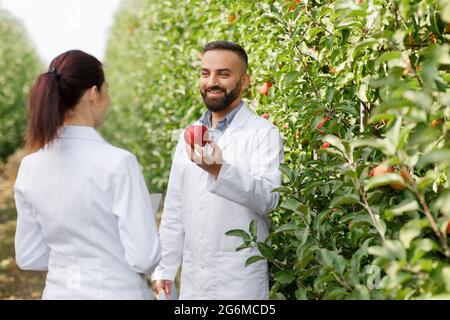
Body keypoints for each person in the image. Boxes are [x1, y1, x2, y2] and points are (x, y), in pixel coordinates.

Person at [14, 50, 161, 299]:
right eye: (107, 89)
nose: (108, 99)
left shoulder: (30, 166)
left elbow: (28, 256)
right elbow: (144, 257)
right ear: (93, 94)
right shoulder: (119, 163)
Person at [152, 41, 284, 299]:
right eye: (205, 73)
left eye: (223, 74)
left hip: (239, 281)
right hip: (193, 282)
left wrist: (220, 170)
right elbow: (175, 209)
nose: (211, 81)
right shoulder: (186, 137)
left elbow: (269, 198)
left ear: (245, 81)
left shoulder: (263, 133)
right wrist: (164, 269)